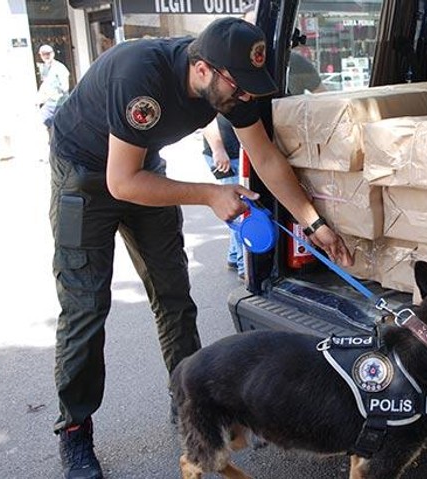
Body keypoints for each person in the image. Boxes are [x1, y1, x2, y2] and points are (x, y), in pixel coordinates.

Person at [48, 17, 353, 479]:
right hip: (86, 178)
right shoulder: (140, 76)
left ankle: (190, 407)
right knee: (86, 310)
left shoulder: (232, 85)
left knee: (174, 299)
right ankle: (75, 431)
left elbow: (266, 157)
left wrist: (314, 224)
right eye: (240, 87)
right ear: (204, 69)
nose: (246, 98)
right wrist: (212, 193)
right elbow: (120, 181)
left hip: (143, 170)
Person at [202, 114, 246, 277]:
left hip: (230, 152)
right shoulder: (218, 90)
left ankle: (234, 257)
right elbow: (207, 119)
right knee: (238, 209)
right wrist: (218, 149)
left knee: (238, 210)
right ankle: (244, 266)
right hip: (227, 155)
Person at [36, 44, 70, 131]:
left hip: (59, 103)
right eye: (44, 54)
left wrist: (54, 94)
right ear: (40, 55)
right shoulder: (44, 68)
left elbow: (65, 87)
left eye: (48, 54)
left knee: (60, 127)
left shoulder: (60, 68)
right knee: (42, 124)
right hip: (49, 104)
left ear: (53, 54)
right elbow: (45, 84)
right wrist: (39, 99)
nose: (46, 56)